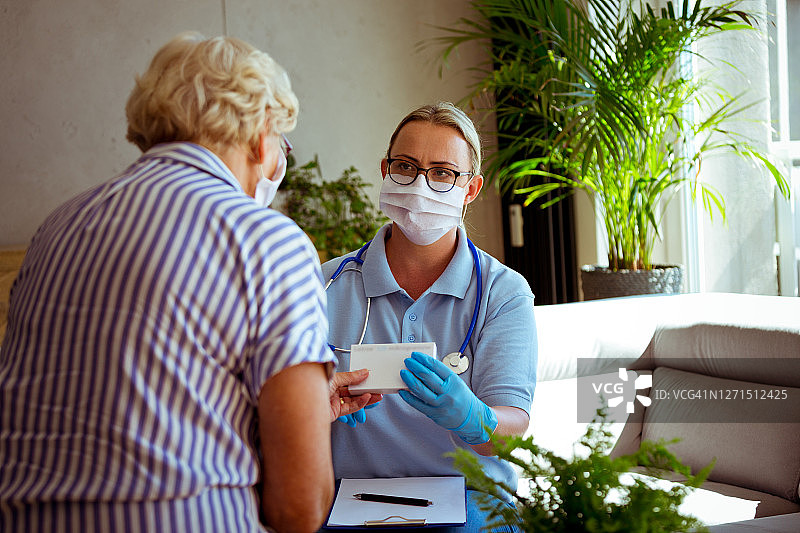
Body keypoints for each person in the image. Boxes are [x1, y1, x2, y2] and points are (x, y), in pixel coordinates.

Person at [0, 32, 376, 532]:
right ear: (260, 135)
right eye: (281, 143)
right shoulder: (269, 241)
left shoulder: (59, 225)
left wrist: (298, 413)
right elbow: (300, 507)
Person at [322, 102, 537, 530]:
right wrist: (315, 405)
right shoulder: (325, 285)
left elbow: (511, 432)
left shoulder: (503, 292)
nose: (421, 184)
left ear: (470, 189)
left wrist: (474, 418)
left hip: (471, 500)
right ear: (385, 170)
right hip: (351, 498)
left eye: (442, 173)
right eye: (406, 166)